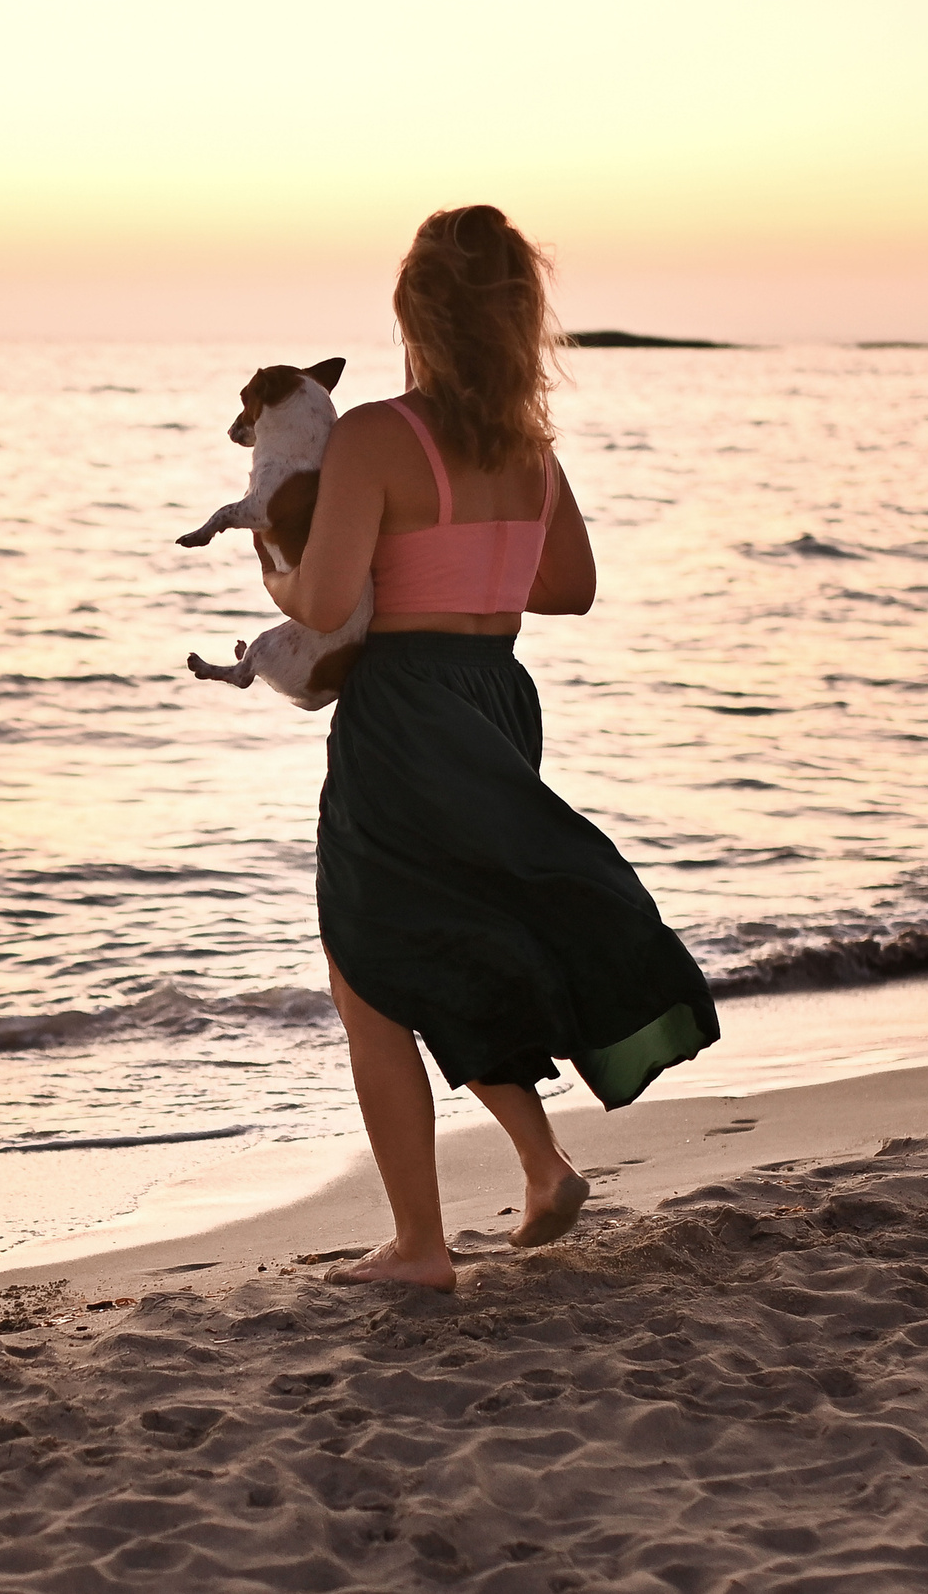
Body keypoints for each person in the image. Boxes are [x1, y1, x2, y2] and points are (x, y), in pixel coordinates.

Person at [261, 205, 718, 1290]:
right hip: (494, 698)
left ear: (414, 310)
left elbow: (322, 602)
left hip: (406, 709)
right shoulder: (527, 447)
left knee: (367, 970)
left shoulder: (377, 434)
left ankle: (420, 1247)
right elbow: (569, 590)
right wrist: (471, 565)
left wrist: (276, 567)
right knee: (454, 940)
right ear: (519, 318)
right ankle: (541, 1164)